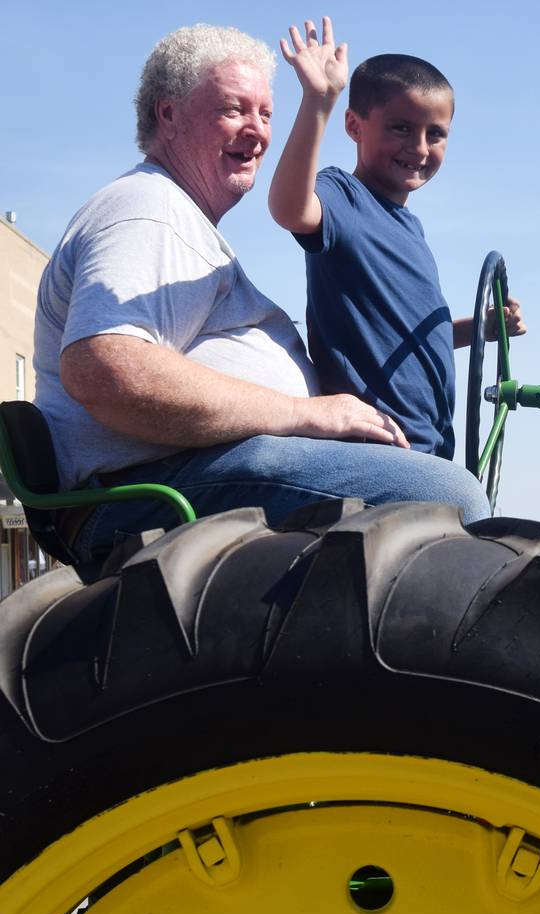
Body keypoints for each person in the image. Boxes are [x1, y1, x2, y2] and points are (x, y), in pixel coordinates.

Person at [32, 23, 491, 567]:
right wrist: (307, 413)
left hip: (193, 475)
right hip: (146, 495)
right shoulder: (148, 210)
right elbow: (103, 371)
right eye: (233, 109)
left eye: (265, 114)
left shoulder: (184, 223)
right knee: (448, 498)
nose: (256, 131)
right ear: (168, 114)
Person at [268, 18, 526, 461]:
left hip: (430, 446)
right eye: (401, 128)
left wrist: (479, 330)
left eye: (436, 134)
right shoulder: (344, 197)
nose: (420, 148)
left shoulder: (411, 230)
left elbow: (410, 335)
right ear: (354, 126)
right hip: (379, 445)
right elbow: (291, 209)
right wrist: (318, 101)